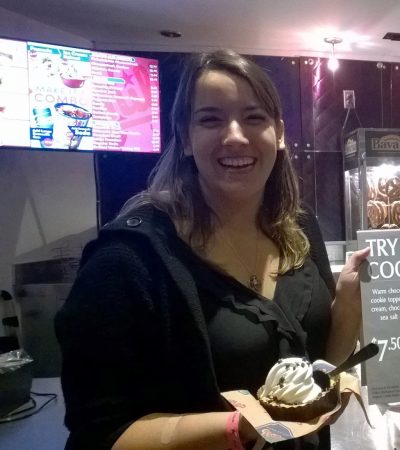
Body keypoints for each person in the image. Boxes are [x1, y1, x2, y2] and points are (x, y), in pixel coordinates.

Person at [55, 49, 368, 450]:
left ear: (280, 133)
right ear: (185, 138)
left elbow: (313, 376)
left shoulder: (299, 228)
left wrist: (345, 311)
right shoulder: (127, 260)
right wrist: (239, 428)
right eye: (211, 119)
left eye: (255, 117)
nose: (235, 136)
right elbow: (100, 433)